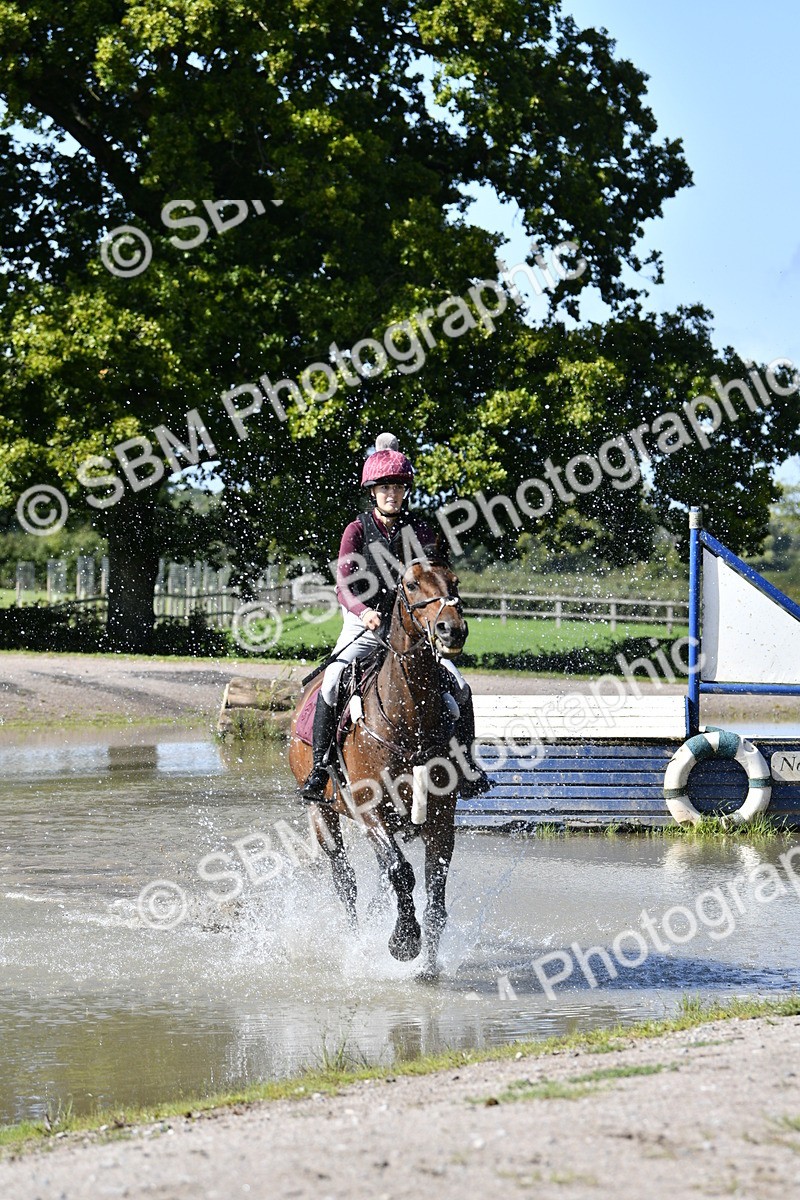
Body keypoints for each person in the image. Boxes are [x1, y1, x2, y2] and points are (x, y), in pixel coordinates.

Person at [300, 432, 491, 803]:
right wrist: (363, 612)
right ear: (373, 491)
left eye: (399, 487)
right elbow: (343, 585)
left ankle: (466, 764)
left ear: (406, 491)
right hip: (365, 623)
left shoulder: (419, 530)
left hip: (411, 628)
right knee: (333, 680)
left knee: (460, 687)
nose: (392, 494)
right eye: (385, 487)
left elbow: (434, 577)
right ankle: (320, 767)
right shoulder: (356, 531)